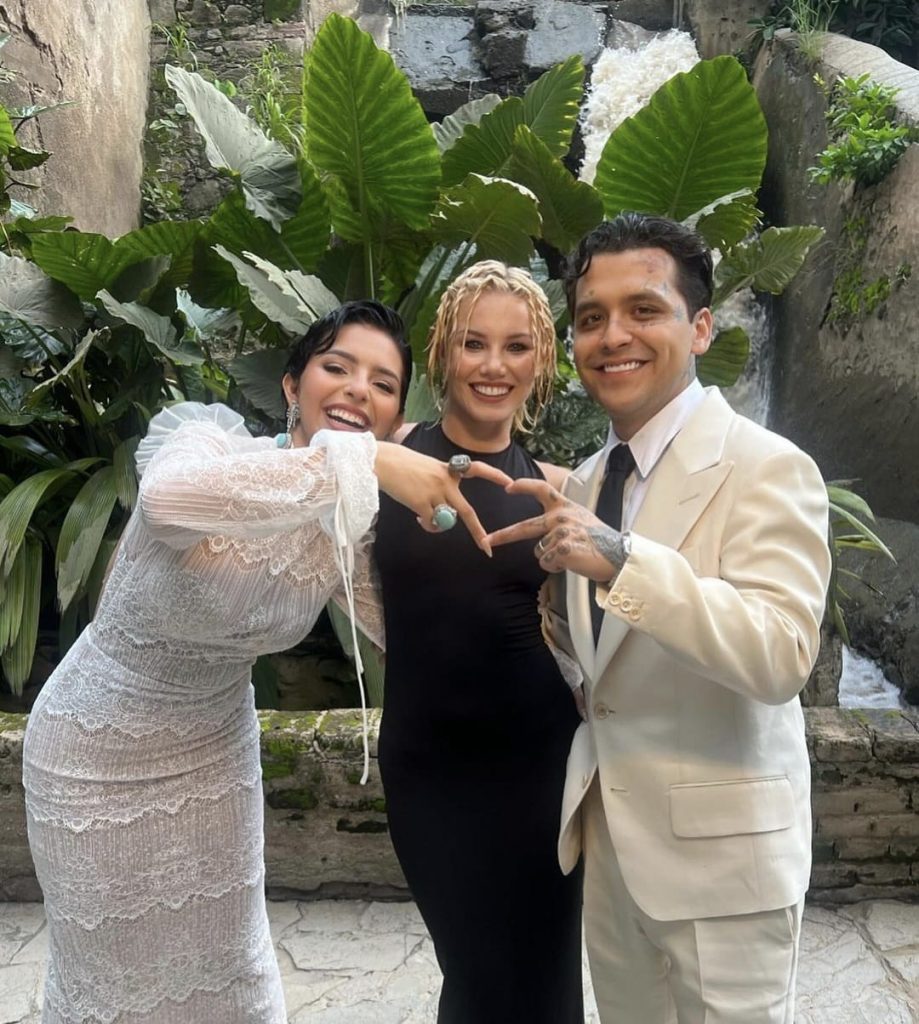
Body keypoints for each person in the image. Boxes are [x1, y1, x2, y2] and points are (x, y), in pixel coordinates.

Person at [22, 300, 508, 1024]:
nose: (356, 391)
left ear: (396, 416)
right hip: (92, 752)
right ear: (291, 386)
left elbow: (417, 640)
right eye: (336, 368)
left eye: (381, 384)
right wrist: (367, 459)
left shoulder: (349, 532)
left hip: (216, 754)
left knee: (233, 977)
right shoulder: (208, 446)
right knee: (112, 987)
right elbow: (164, 503)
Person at [486, 215, 833, 1024]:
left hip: (725, 874)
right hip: (614, 855)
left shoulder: (767, 466)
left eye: (643, 309)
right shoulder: (583, 482)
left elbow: (780, 655)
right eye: (590, 318)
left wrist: (622, 560)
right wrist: (555, 611)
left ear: (700, 327)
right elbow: (602, 670)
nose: (613, 336)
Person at [373, 261, 585, 1024]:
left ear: (542, 361)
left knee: (540, 972)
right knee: (474, 968)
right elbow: (280, 474)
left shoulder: (561, 486)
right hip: (426, 768)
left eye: (516, 347)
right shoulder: (388, 457)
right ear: (442, 351)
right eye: (473, 343)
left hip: (538, 765)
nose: (494, 366)